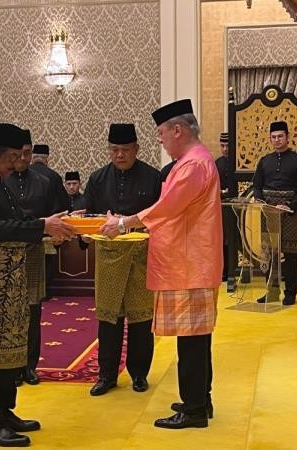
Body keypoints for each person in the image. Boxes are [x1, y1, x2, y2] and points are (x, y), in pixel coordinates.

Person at [100, 99, 223, 429]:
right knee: (196, 337)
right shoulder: (193, 161)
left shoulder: (193, 165)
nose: (161, 141)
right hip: (190, 262)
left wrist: (125, 223)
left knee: (192, 340)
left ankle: (194, 408)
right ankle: (200, 399)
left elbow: (167, 208)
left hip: (189, 265)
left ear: (178, 130)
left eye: (162, 134)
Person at [0, 122, 75, 447]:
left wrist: (53, 224)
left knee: (10, 345)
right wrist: (41, 226)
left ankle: (5, 412)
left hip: (9, 276)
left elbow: (17, 219)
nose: (17, 163)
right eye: (12, 157)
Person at [83, 123, 161, 396]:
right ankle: (106, 375)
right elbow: (89, 216)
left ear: (136, 149)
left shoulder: (153, 177)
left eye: (125, 150)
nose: (119, 155)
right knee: (109, 319)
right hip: (109, 257)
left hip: (142, 256)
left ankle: (139, 374)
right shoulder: (97, 179)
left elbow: (161, 217)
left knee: (141, 319)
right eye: (114, 150)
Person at [6, 131, 60, 386]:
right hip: (5, 254)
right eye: (20, 153)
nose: (25, 158)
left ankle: (29, 366)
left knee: (32, 310)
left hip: (33, 251)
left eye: (28, 153)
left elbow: (53, 215)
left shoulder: (42, 182)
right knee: (9, 312)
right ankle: (11, 367)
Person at [252, 121, 297, 306]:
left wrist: (291, 205)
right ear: (270, 139)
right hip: (268, 212)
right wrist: (261, 201)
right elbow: (257, 186)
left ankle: (290, 293)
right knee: (270, 253)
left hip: (289, 212)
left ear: (287, 137)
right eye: (273, 137)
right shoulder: (264, 161)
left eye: (280, 136)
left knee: (290, 253)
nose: (277, 140)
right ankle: (271, 291)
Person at [30, 144, 70, 299]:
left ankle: (33, 293)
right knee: (47, 261)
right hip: (49, 228)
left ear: (32, 158)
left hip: (27, 227)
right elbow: (64, 203)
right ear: (47, 159)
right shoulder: (53, 176)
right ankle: (45, 291)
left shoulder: (23, 174)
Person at [215, 132, 237, 281]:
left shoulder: (241, 162)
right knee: (223, 240)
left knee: (236, 239)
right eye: (222, 145)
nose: (225, 149)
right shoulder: (217, 163)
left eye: (227, 145)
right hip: (221, 206)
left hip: (237, 207)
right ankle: (225, 270)